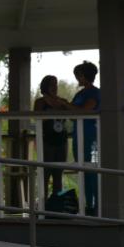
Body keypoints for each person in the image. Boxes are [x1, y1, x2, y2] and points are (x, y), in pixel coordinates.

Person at [47, 61, 100, 214]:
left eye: (79, 75)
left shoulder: (95, 93)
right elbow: (73, 114)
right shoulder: (79, 94)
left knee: (93, 170)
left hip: (93, 138)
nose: (77, 78)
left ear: (85, 76)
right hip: (78, 136)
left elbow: (84, 110)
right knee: (82, 170)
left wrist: (66, 104)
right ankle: (87, 204)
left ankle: (96, 205)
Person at [33, 75, 69, 197]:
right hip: (46, 141)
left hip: (62, 141)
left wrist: (63, 105)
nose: (55, 87)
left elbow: (73, 116)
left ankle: (56, 204)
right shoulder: (40, 102)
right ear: (45, 86)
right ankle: (43, 204)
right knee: (45, 173)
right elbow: (37, 118)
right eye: (51, 84)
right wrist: (53, 113)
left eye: (56, 84)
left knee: (58, 174)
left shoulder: (63, 101)